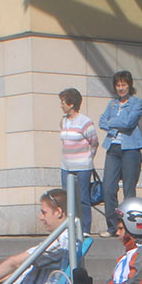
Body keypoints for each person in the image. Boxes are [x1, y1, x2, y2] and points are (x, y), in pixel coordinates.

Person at [99, 71, 142, 237]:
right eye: (118, 85)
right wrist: (115, 123)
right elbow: (101, 121)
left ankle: (129, 227)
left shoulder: (136, 102)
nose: (120, 88)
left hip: (130, 148)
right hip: (113, 148)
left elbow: (129, 122)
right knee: (108, 189)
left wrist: (112, 123)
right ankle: (113, 226)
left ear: (129, 85)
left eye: (123, 85)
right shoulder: (112, 104)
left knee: (128, 190)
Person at [59, 88, 99, 235]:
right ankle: (69, 228)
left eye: (63, 102)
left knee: (83, 198)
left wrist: (88, 157)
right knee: (67, 198)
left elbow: (94, 142)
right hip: (66, 165)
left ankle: (85, 228)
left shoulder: (85, 122)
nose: (61, 105)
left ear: (71, 104)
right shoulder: (63, 121)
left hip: (82, 166)